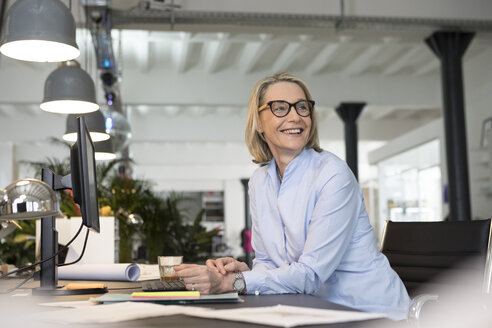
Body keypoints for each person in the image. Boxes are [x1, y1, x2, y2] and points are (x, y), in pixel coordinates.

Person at [173, 72, 410, 320]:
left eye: (302, 107)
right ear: (258, 122)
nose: (295, 116)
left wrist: (232, 283)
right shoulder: (259, 181)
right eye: (280, 108)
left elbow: (310, 275)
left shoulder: (333, 175)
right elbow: (267, 261)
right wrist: (242, 272)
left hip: (371, 314)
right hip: (310, 312)